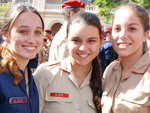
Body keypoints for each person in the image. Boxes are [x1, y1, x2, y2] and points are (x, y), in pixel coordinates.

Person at [34, 12, 103, 113]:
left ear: (101, 42)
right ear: (66, 41)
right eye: (76, 40)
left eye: (91, 41)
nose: (83, 48)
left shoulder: (104, 85)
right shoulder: (46, 75)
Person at [102, 3, 150, 113]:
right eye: (117, 28)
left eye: (132, 28)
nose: (123, 35)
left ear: (145, 35)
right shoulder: (110, 70)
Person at [0, 4, 44, 113]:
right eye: (23, 31)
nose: (32, 40)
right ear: (5, 35)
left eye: (38, 32)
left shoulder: (30, 75)